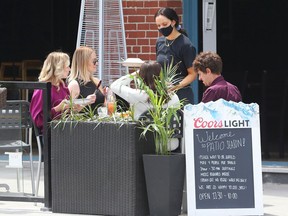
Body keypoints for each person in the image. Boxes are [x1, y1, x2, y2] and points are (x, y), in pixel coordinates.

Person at [110, 61, 180, 151]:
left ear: (141, 77)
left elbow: (114, 85)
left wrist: (135, 73)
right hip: (171, 145)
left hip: (145, 146)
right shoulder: (174, 97)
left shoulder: (138, 96)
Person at [154, 7, 197, 104]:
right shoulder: (159, 42)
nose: (161, 28)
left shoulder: (186, 45)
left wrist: (176, 86)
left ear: (173, 22)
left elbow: (193, 74)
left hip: (181, 95)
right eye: (158, 25)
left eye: (164, 24)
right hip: (163, 95)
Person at [30, 51, 80, 132]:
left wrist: (75, 108)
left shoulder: (62, 86)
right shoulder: (42, 89)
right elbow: (37, 120)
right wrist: (57, 108)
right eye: (67, 66)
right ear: (58, 68)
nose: (69, 69)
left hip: (64, 130)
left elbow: (66, 113)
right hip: (51, 133)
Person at [68, 46, 105, 112]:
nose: (96, 63)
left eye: (96, 60)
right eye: (94, 61)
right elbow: (69, 112)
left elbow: (105, 106)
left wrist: (107, 96)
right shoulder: (74, 85)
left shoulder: (97, 82)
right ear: (84, 62)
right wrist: (85, 102)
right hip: (82, 121)